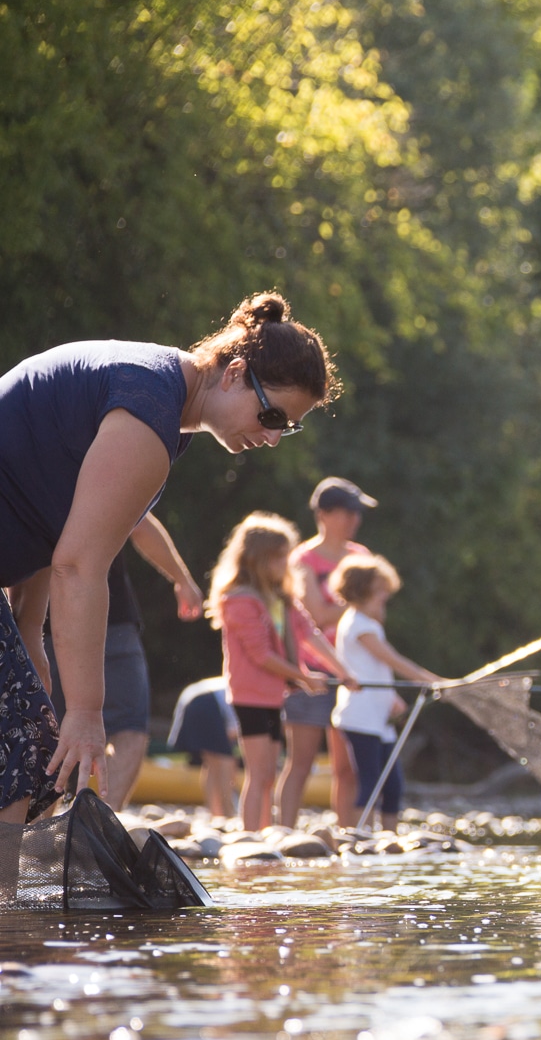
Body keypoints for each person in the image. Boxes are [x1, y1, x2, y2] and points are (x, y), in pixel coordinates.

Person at [0, 291, 338, 822]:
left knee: (28, 757)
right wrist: (86, 712)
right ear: (234, 372)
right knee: (20, 763)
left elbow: (46, 505)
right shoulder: (148, 406)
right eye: (271, 413)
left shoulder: (158, 399)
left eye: (287, 426)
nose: (273, 437)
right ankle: (13, 901)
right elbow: (79, 566)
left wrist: (28, 628)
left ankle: (17, 899)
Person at [41, 514, 206, 810]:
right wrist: (181, 579)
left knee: (44, 728)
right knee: (128, 726)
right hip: (94, 619)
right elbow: (140, 523)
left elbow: (139, 522)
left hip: (48, 617)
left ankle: (45, 834)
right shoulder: (94, 468)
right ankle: (102, 822)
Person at [209, 512, 347, 832]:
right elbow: (262, 656)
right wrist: (303, 677)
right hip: (250, 696)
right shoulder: (239, 600)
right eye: (279, 557)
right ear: (259, 559)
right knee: (259, 773)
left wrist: (344, 672)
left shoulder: (280, 598)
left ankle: (263, 833)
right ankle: (251, 837)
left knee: (269, 772)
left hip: (273, 696)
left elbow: (309, 634)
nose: (287, 563)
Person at [283, 477, 375, 826]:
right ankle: (284, 831)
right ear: (323, 514)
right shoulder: (302, 558)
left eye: (357, 513)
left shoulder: (361, 556)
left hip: (353, 671)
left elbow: (374, 613)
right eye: (347, 512)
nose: (354, 519)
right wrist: (357, 602)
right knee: (301, 761)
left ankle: (347, 834)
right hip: (311, 672)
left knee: (346, 765)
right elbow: (315, 614)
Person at [329, 555, 439, 829]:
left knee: (393, 787)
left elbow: (374, 669)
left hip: (379, 719)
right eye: (380, 592)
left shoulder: (369, 624)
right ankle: (357, 840)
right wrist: (437, 682)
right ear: (362, 592)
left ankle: (388, 845)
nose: (385, 598)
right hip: (360, 717)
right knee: (370, 783)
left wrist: (391, 697)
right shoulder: (358, 624)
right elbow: (393, 660)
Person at [167, 675, 238, 818]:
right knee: (226, 762)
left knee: (211, 762)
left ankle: (216, 812)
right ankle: (228, 812)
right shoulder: (250, 692)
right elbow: (234, 729)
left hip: (189, 699)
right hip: (207, 703)